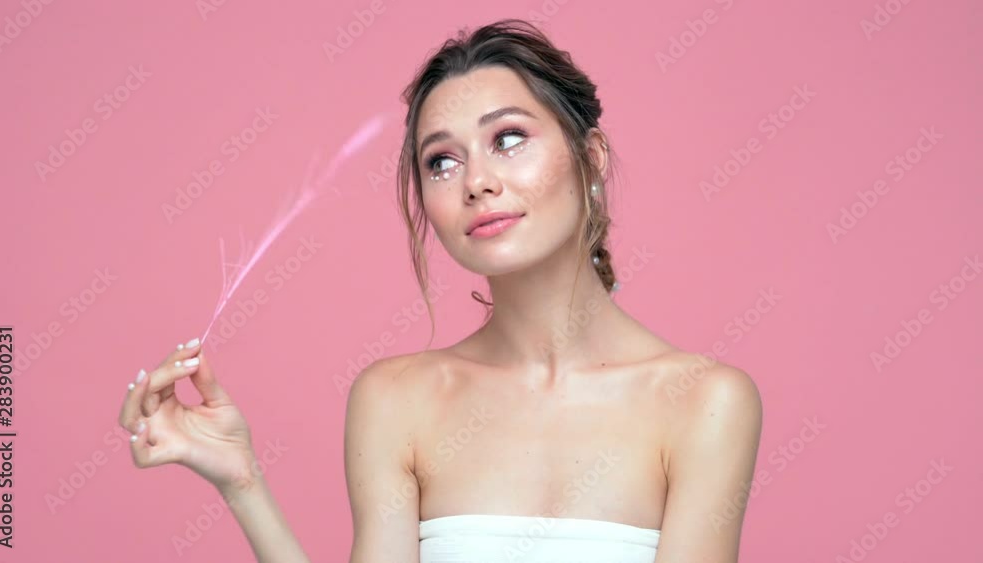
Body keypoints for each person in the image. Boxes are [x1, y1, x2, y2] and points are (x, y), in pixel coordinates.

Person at [118, 18, 762, 563]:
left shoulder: (704, 403)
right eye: (442, 161)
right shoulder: (395, 399)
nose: (476, 182)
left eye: (508, 139)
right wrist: (242, 481)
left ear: (590, 158)